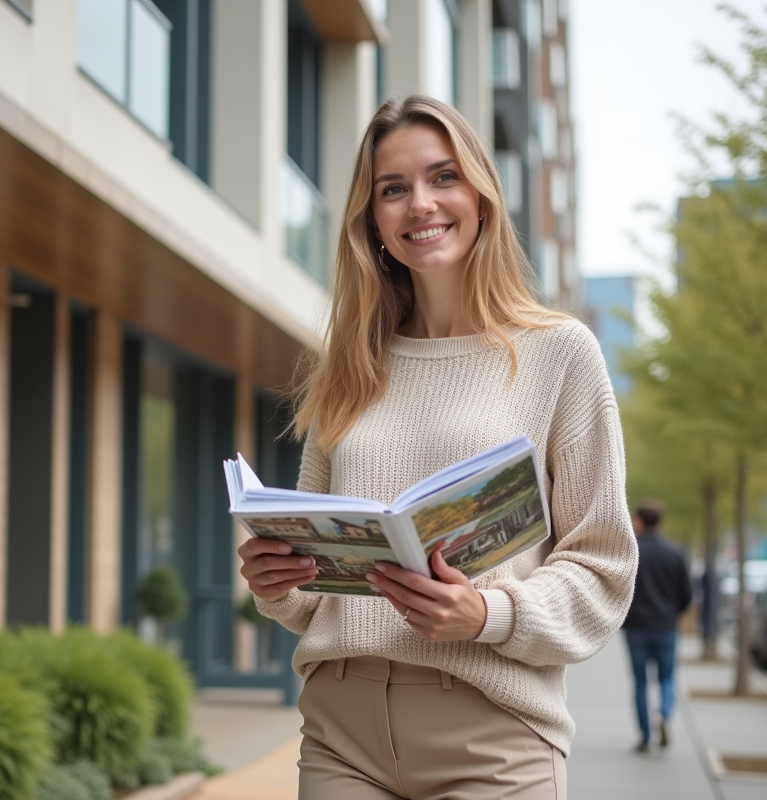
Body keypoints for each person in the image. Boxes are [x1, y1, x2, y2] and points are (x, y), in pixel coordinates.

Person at [237, 94, 638, 800]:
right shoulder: (351, 365)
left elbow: (603, 566)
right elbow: (318, 582)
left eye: (443, 177)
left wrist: (489, 615)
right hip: (341, 732)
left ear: (481, 195)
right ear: (373, 221)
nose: (420, 203)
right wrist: (280, 584)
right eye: (393, 189)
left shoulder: (559, 353)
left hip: (492, 734)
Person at [621, 499, 692, 753]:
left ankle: (644, 737)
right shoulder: (675, 552)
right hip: (666, 626)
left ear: (639, 521)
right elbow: (687, 593)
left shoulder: (632, 551)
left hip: (636, 626)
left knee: (640, 682)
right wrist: (677, 614)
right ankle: (663, 713)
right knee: (667, 678)